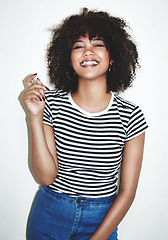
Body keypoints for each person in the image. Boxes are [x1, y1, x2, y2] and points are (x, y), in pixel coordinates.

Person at [22, 8, 148, 240]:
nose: (87, 51)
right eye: (78, 46)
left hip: (101, 220)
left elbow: (128, 192)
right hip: (49, 214)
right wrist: (35, 115)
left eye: (97, 44)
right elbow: (46, 177)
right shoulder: (50, 104)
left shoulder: (131, 115)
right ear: (68, 59)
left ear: (114, 56)